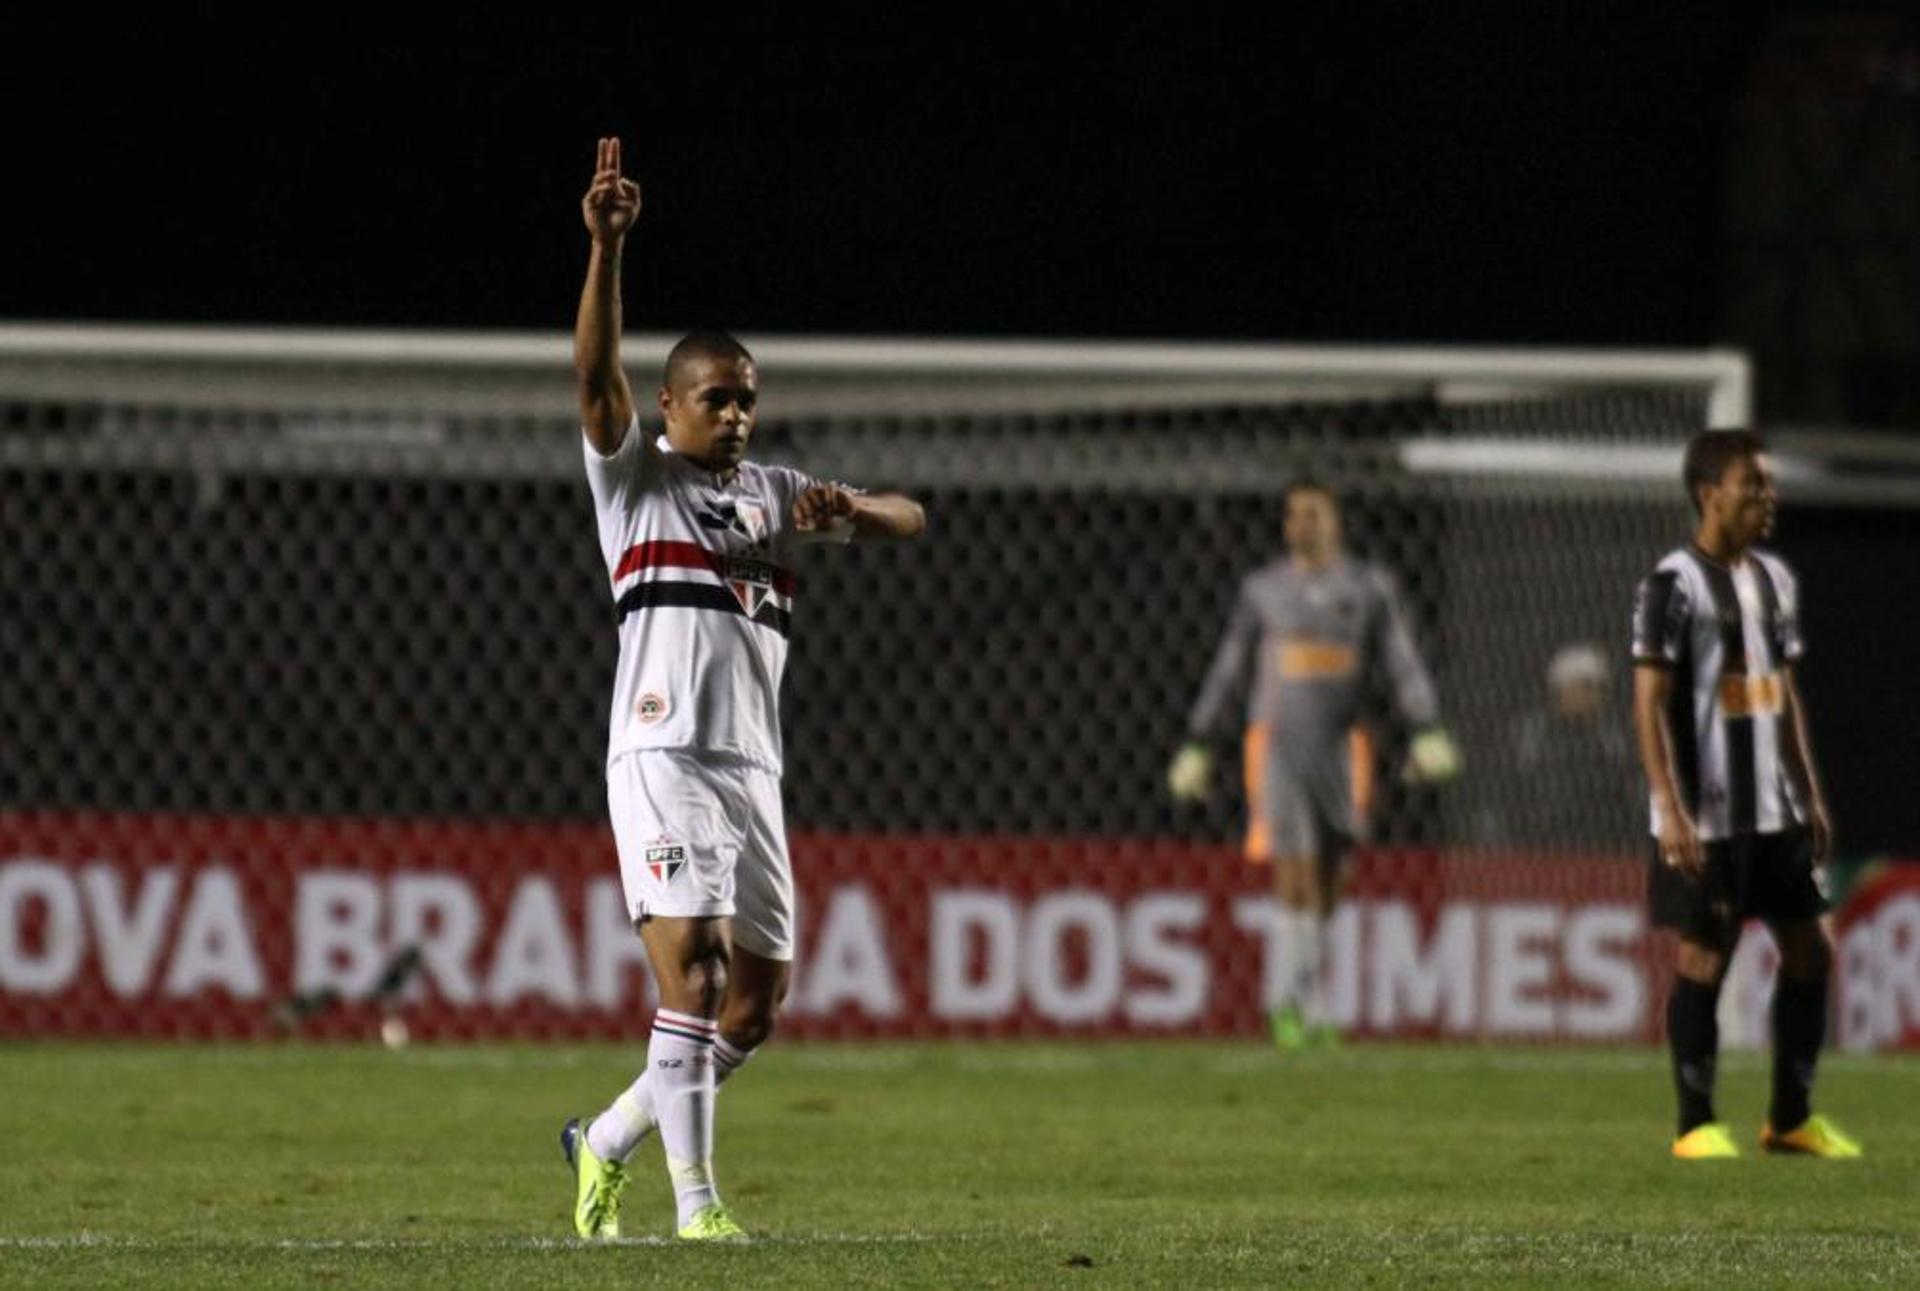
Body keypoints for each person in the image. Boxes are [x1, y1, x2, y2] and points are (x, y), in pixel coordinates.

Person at [561, 136, 927, 1240]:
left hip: (753, 769)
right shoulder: (635, 483)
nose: (735, 416)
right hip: (663, 754)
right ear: (669, 407)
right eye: (716, 398)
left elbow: (914, 516)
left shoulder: (773, 491)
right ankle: (699, 1208)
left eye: (747, 401)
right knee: (697, 966)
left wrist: (849, 508)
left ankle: (604, 1139)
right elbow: (592, 376)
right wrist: (607, 249)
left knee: (758, 1006)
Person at [1631, 428, 1858, 1160]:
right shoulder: (1673, 583)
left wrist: (1811, 792)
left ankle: (1789, 1118)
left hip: (1774, 811)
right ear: (1709, 493)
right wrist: (1670, 806)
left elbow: (1783, 694)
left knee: (1812, 952)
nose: (1769, 497)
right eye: (1752, 484)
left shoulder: (1774, 580)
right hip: (1709, 816)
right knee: (1705, 958)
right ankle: (1695, 1124)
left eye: (1769, 484)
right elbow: (1648, 703)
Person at [1168, 480, 1459, 1048]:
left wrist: (1426, 728)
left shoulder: (1369, 588)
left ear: (1336, 521)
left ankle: (1307, 997)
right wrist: (1200, 741)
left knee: (1331, 881)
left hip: (1343, 746)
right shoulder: (1264, 591)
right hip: (1277, 745)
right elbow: (1231, 668)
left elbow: (1401, 662)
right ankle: (1287, 1005)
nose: (1301, 524)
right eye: (1292, 515)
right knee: (1294, 874)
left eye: (1313, 514)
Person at [1482, 643, 1640, 852]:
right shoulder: (1528, 735)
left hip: (1598, 845)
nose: (1592, 695)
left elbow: (1631, 794)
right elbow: (1500, 793)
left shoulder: (1614, 739)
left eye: (1598, 688)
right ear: (1560, 689)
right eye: (1584, 686)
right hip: (1533, 843)